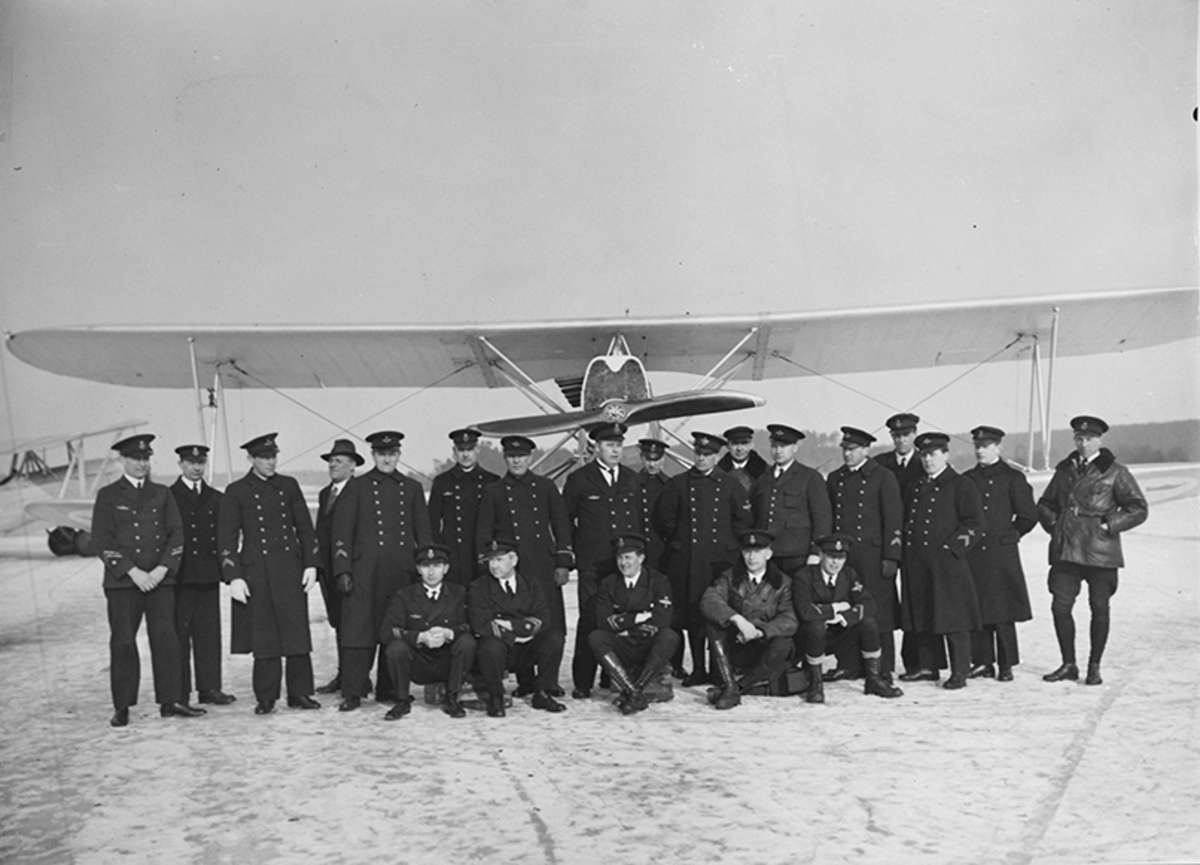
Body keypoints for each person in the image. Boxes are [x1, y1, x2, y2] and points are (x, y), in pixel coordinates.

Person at [93, 433, 202, 727]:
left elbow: (176, 534)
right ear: (123, 460)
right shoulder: (108, 495)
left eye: (145, 458)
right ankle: (122, 706)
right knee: (123, 643)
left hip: (159, 582)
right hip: (123, 583)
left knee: (167, 641)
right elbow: (102, 539)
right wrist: (134, 572)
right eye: (135, 458)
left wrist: (161, 570)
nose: (142, 464)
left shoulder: (161, 493)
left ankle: (171, 701)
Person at [1037, 415, 1147, 686]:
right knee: (1060, 606)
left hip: (1100, 551)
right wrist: (1056, 526)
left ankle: (1094, 666)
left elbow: (1138, 508)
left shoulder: (1115, 471)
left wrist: (1109, 524)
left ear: (1099, 440)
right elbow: (1045, 504)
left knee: (1099, 608)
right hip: (1067, 550)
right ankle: (1068, 664)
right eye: (1079, 438)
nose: (1083, 444)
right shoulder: (1065, 469)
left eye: (1088, 439)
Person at [218, 432, 320, 715]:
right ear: (251, 459)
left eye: (273, 456)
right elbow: (226, 540)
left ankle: (300, 693)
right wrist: (234, 576)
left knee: (296, 632)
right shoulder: (236, 491)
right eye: (264, 457)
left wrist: (311, 564)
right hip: (256, 572)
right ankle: (266, 696)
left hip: (290, 568)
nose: (271, 462)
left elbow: (305, 528)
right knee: (264, 637)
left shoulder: (288, 485)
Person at [331, 430, 433, 711]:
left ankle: (389, 689)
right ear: (373, 456)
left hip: (401, 573)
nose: (387, 459)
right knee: (358, 632)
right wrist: (342, 570)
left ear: (399, 455)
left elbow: (423, 533)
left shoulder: (411, 488)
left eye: (391, 454)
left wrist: (426, 568)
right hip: (363, 572)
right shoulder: (357, 487)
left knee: (394, 630)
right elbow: (341, 533)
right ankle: (353, 691)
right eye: (381, 454)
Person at [476, 434, 574, 696]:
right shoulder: (494, 491)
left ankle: (549, 681)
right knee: (517, 620)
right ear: (505, 458)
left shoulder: (545, 486)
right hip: (511, 568)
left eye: (521, 456)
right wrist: (489, 566)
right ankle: (526, 681)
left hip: (543, 564)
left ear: (530, 458)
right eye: (511, 456)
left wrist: (563, 562)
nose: (516, 461)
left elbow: (561, 525)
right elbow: (484, 532)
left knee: (552, 624)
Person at [654, 431, 752, 686]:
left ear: (717, 457)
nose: (701, 458)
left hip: (721, 563)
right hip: (688, 563)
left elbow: (743, 521)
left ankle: (720, 668)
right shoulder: (679, 484)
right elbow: (664, 520)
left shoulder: (731, 484)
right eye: (698, 453)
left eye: (707, 455)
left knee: (719, 614)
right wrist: (682, 541)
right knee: (693, 616)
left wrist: (730, 547)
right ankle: (698, 668)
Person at [897, 432, 984, 690]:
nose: (928, 460)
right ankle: (927, 666)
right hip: (917, 562)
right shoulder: (915, 486)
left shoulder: (961, 485)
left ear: (946, 455)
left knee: (954, 618)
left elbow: (975, 523)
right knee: (922, 615)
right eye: (924, 455)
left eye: (933, 454)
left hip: (947, 563)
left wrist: (952, 548)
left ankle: (960, 670)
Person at [562, 422, 642, 699]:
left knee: (620, 620)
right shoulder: (579, 479)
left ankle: (612, 677)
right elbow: (565, 520)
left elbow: (638, 520)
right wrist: (577, 549)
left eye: (619, 445)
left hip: (624, 565)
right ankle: (583, 681)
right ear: (597, 447)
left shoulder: (632, 478)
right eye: (609, 445)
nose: (615, 450)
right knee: (590, 620)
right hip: (593, 564)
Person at [824, 426, 904, 680]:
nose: (847, 454)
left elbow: (894, 519)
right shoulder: (835, 478)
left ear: (866, 450)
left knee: (880, 612)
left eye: (853, 449)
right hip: (844, 557)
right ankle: (848, 664)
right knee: (846, 608)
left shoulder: (883, 476)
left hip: (874, 555)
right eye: (845, 449)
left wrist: (892, 556)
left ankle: (884, 667)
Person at [963, 426, 1038, 681]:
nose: (980, 451)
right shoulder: (968, 479)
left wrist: (1011, 535)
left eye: (986, 446)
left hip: (1001, 554)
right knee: (978, 607)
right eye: (977, 446)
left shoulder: (1012, 478)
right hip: (974, 553)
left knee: (1003, 611)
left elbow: (1028, 515)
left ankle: (1006, 664)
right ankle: (982, 662)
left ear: (998, 447)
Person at [792, 534, 903, 703]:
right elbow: (805, 611)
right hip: (809, 638)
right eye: (831, 557)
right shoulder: (804, 576)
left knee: (869, 623)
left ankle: (874, 680)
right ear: (820, 555)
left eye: (840, 558)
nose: (835, 563)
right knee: (816, 626)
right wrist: (836, 608)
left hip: (837, 635)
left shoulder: (849, 574)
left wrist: (844, 617)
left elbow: (868, 604)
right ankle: (815, 684)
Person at [468, 538, 567, 717]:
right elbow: (481, 624)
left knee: (554, 637)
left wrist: (511, 625)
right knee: (490, 646)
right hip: (501, 648)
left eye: (499, 560)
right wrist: (516, 635)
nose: (494, 565)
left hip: (526, 647)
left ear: (513, 560)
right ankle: (496, 697)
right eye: (491, 560)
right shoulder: (479, 587)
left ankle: (543, 692)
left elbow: (543, 618)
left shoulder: (531, 583)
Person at [699, 529, 797, 710]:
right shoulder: (729, 577)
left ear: (769, 554)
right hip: (734, 647)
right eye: (747, 551)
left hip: (761, 648)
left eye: (757, 551)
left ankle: (735, 688)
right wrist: (738, 620)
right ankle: (729, 682)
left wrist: (759, 631)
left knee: (784, 643)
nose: (751, 557)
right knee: (713, 625)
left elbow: (789, 619)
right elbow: (710, 600)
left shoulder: (783, 583)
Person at [169, 444, 234, 707]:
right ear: (180, 465)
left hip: (208, 576)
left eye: (200, 463)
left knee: (209, 635)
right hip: (180, 577)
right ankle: (180, 693)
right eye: (190, 463)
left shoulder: (216, 498)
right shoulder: (169, 496)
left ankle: (210, 688)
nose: (196, 468)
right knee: (180, 636)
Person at [379, 543, 476, 720]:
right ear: (418, 569)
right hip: (419, 662)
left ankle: (452, 696)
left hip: (448, 661)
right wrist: (420, 637)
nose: (431, 572)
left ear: (446, 568)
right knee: (396, 648)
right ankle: (402, 700)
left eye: (437, 566)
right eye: (425, 566)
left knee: (467, 642)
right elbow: (387, 632)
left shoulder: (458, 593)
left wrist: (449, 633)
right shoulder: (405, 595)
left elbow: (470, 625)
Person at [587, 534, 680, 715]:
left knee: (669, 636)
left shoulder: (658, 581)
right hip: (623, 646)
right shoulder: (608, 583)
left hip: (647, 643)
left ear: (641, 558)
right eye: (619, 558)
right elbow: (603, 621)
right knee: (596, 637)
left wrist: (626, 628)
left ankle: (634, 691)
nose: (623, 563)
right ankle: (634, 692)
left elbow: (662, 619)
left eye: (628, 557)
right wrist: (637, 618)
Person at [749, 423, 832, 576]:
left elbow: (822, 518)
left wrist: (816, 552)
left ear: (795, 448)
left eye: (783, 446)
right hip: (766, 555)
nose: (778, 451)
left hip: (797, 556)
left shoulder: (809, 477)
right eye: (774, 446)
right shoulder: (762, 479)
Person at [313, 438, 362, 695]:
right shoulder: (325, 494)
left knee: (352, 625)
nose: (333, 465)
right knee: (338, 623)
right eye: (331, 461)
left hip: (350, 571)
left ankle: (355, 677)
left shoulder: (360, 491)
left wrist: (349, 569)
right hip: (328, 571)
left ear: (353, 466)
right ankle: (344, 675)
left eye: (339, 461)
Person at [428, 428, 500, 587]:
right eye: (461, 450)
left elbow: (499, 522)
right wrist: (440, 553)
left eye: (470, 449)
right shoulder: (442, 481)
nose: (466, 454)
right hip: (454, 554)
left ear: (477, 450)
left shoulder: (492, 481)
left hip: (483, 553)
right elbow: (432, 522)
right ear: (454, 451)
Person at [636, 437, 671, 574]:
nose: (652, 464)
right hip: (638, 545)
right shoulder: (632, 483)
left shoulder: (670, 485)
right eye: (648, 459)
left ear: (663, 459)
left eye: (656, 460)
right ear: (641, 458)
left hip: (662, 546)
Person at [717, 425, 768, 493]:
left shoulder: (765, 472)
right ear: (728, 446)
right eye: (735, 444)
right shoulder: (718, 474)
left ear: (751, 445)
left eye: (744, 443)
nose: (739, 448)